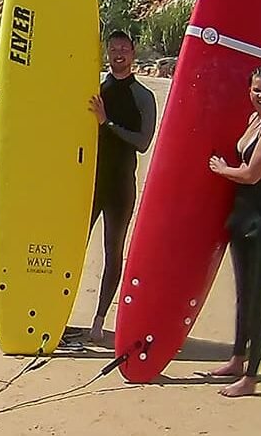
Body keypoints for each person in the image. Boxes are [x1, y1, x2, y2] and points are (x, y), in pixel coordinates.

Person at [205, 66, 261, 398]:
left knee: (258, 297)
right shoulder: (254, 119)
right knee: (243, 291)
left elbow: (254, 173)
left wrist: (222, 169)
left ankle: (252, 377)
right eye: (257, 89)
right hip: (244, 210)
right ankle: (238, 358)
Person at [86, 30, 158, 342]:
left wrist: (107, 123)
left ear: (133, 52)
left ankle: (99, 320)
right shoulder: (96, 88)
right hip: (89, 183)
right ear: (106, 52)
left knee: (112, 250)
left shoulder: (143, 96)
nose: (118, 54)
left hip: (119, 186)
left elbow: (143, 143)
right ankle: (56, 307)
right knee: (73, 246)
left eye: (124, 49)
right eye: (113, 48)